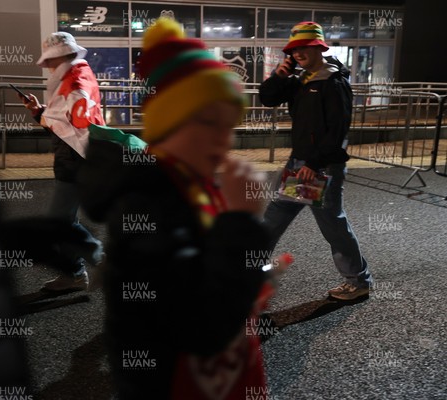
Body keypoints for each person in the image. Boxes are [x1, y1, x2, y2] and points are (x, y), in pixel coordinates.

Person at [79, 18, 286, 400]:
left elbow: (205, 275)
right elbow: (203, 328)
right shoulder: (148, 202)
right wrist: (242, 223)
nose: (222, 140)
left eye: (229, 126)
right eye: (207, 122)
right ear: (168, 122)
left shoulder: (193, 183)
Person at [259, 21, 373, 300]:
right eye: (294, 49)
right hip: (301, 164)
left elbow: (337, 130)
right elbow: (268, 98)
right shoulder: (302, 80)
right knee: (275, 217)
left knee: (332, 224)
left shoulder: (333, 83)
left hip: (319, 168)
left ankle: (358, 281)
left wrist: (314, 164)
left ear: (318, 47)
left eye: (304, 47)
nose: (297, 53)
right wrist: (278, 76)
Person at [19, 32, 105, 294]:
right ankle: (75, 274)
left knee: (59, 221)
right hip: (73, 159)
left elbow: (77, 119)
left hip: (77, 161)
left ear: (62, 56)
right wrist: (40, 113)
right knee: (65, 221)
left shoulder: (76, 80)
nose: (50, 67)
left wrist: (61, 114)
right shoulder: (70, 78)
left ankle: (99, 262)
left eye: (51, 61)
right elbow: (63, 124)